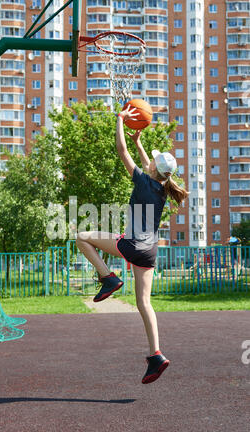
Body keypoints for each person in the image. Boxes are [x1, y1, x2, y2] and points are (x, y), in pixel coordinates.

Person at [76, 105, 189, 383]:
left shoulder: (143, 180)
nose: (148, 163)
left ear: (152, 169)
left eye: (151, 162)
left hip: (134, 245)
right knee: (144, 303)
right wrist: (139, 142)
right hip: (150, 252)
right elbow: (151, 168)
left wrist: (119, 121)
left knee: (82, 236)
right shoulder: (163, 187)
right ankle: (156, 355)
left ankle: (108, 278)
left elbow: (121, 151)